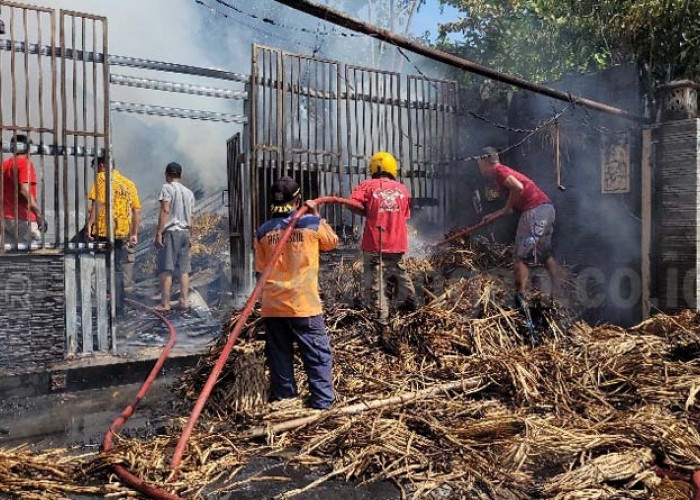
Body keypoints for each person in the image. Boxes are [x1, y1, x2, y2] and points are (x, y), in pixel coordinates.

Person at [255, 176, 339, 410]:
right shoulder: (311, 223)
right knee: (317, 355)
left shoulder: (262, 231)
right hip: (303, 303)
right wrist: (316, 214)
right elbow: (331, 242)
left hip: (273, 305)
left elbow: (260, 270)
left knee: (280, 356)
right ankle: (322, 405)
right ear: (298, 199)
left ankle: (286, 404)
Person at [476, 146, 562, 308]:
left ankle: (519, 297)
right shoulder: (502, 171)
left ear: (484, 160)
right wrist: (495, 214)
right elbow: (512, 201)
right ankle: (558, 293)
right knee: (545, 254)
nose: (479, 167)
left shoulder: (498, 171)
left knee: (521, 256)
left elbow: (518, 187)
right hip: (546, 209)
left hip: (534, 211)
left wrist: (507, 209)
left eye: (479, 162)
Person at [349, 151, 417, 329]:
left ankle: (382, 324)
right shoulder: (402, 189)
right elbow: (405, 215)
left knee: (375, 283)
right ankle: (413, 308)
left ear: (373, 168)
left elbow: (352, 204)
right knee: (402, 275)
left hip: (375, 244)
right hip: (398, 244)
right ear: (393, 169)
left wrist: (366, 211)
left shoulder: (367, 185)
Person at [87, 155, 141, 316]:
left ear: (102, 166)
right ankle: (118, 307)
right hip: (121, 233)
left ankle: (103, 305)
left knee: (102, 268)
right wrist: (133, 233)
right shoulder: (128, 183)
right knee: (117, 269)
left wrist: (89, 225)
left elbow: (97, 204)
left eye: (95, 167)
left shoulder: (102, 179)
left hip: (103, 231)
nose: (96, 171)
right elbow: (136, 210)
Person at [155, 162, 195, 312]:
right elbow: (191, 216)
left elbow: (165, 210)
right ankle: (184, 301)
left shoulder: (167, 188)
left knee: (167, 269)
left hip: (171, 232)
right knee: (184, 269)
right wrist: (190, 235)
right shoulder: (189, 192)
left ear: (167, 174)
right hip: (185, 232)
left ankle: (165, 304)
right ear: (180, 175)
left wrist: (159, 232)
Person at [2, 134, 45, 246]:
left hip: (5, 218)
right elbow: (24, 190)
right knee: (36, 247)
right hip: (22, 217)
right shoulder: (24, 164)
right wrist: (38, 214)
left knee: (11, 252)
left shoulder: (4, 165)